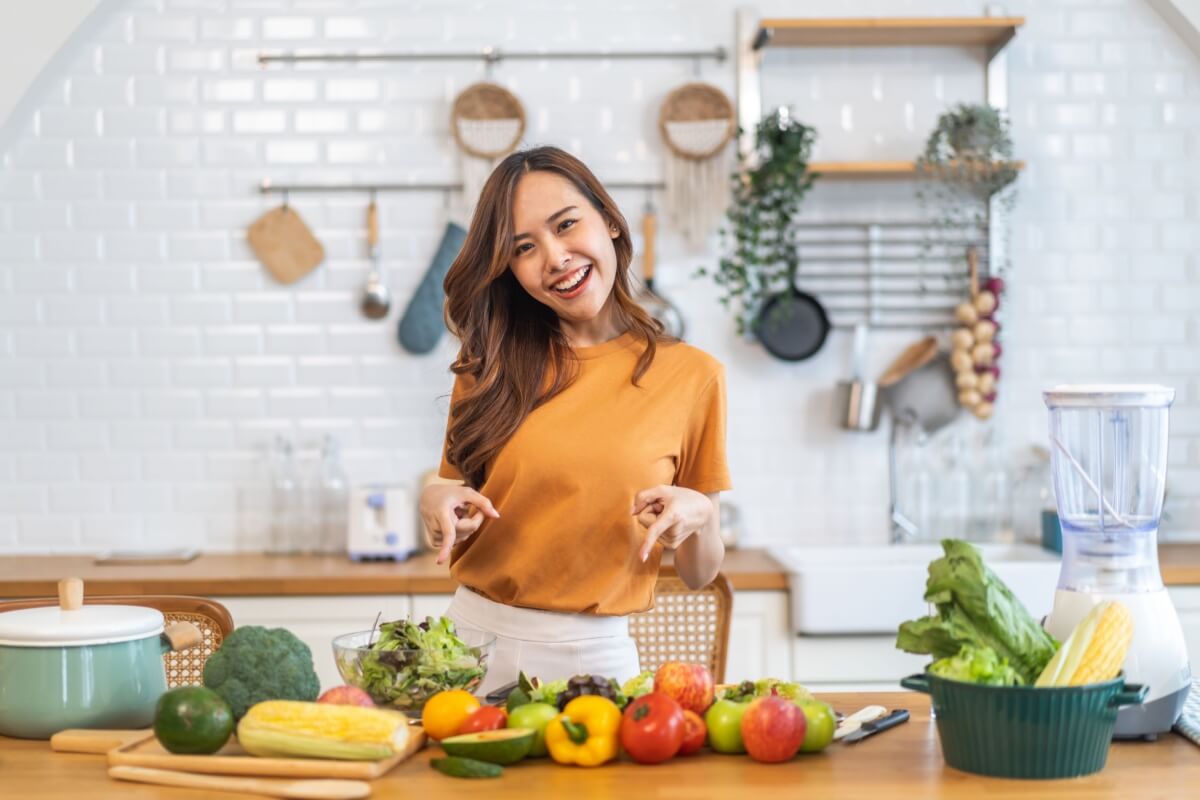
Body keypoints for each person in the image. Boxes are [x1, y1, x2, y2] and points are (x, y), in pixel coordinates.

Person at [419, 145, 730, 696]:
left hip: (597, 664)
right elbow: (452, 493)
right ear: (510, 269)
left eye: (567, 225)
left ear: (609, 221)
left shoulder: (693, 376)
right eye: (524, 247)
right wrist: (433, 497)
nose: (556, 257)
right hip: (469, 647)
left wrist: (701, 512)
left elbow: (699, 573)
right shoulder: (489, 368)